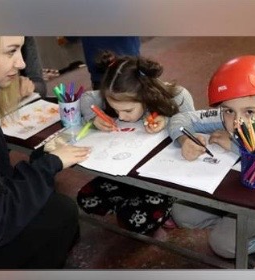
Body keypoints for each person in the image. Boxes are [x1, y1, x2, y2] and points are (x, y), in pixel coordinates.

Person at [0, 36, 91, 269]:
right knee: (60, 214)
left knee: (56, 209)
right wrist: (48, 165)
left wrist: (41, 159)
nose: (22, 64)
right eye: (11, 51)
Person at [168, 55, 255, 259]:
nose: (237, 121)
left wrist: (234, 144)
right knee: (182, 214)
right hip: (235, 191)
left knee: (223, 245)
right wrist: (184, 140)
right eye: (228, 111)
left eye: (249, 112)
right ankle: (231, 219)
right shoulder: (226, 116)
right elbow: (181, 119)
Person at [77, 50, 195, 234]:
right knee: (86, 199)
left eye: (127, 111)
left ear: (145, 96)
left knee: (135, 221)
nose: (120, 117)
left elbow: (193, 129)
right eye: (116, 111)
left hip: (163, 177)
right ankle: (133, 202)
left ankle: (170, 204)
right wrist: (93, 117)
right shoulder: (116, 94)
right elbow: (87, 98)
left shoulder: (177, 97)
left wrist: (169, 122)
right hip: (128, 170)